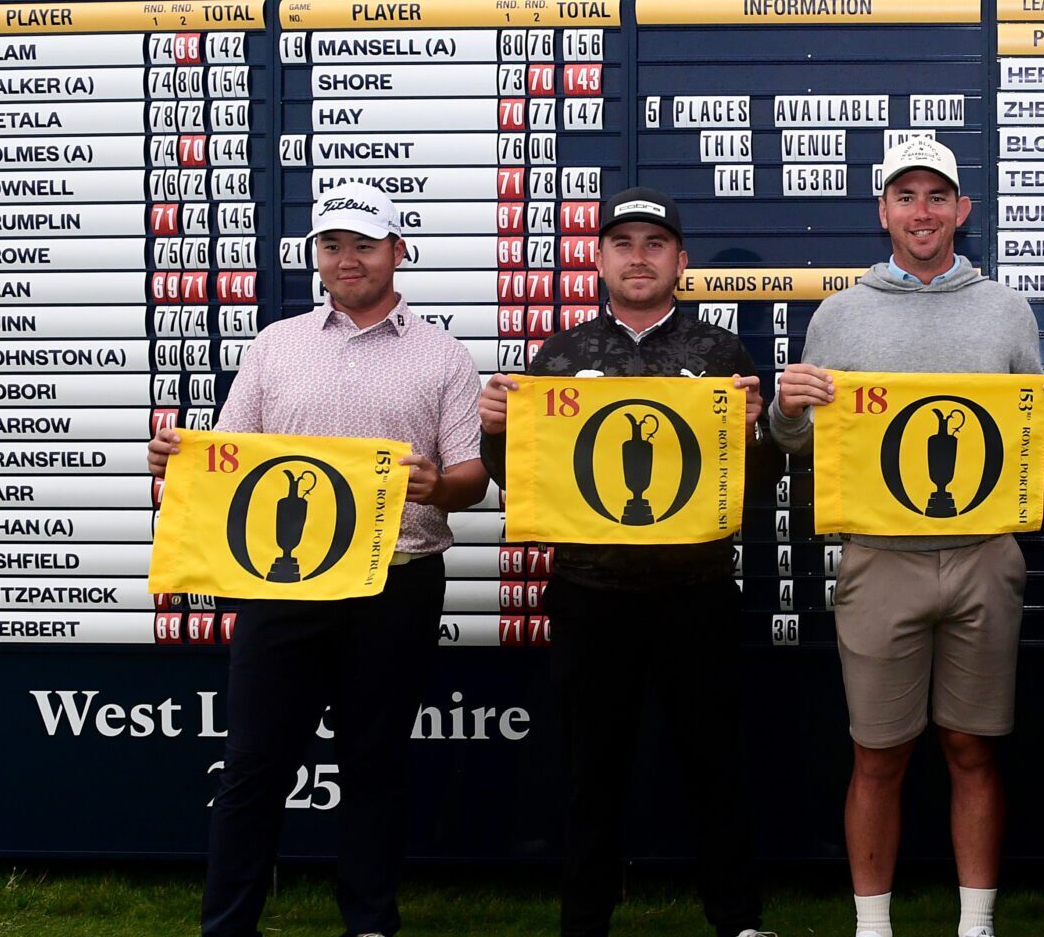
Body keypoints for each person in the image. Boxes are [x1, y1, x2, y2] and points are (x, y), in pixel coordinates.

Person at [768, 137, 1044, 937]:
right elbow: (799, 443)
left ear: (962, 211)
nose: (922, 211)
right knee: (878, 753)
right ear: (883, 211)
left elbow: (1042, 437)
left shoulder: (1006, 308)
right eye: (906, 196)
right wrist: (785, 409)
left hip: (986, 556)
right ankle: (872, 926)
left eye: (937, 196)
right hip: (878, 559)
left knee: (973, 747)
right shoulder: (838, 314)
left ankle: (974, 922)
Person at [148, 182, 489, 937]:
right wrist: (174, 461)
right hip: (283, 583)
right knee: (254, 766)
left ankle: (369, 922)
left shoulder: (445, 357)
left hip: (396, 582)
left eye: (364, 245)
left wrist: (441, 483)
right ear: (317, 257)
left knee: (375, 763)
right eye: (332, 246)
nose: (347, 259)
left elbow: (472, 475)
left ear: (399, 252)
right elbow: (228, 460)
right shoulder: (275, 343)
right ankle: (228, 925)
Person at [477, 187, 774, 937]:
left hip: (697, 592)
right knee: (590, 770)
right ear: (598, 257)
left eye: (654, 243)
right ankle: (585, 920)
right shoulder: (563, 354)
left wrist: (759, 432)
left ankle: (737, 919)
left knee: (716, 765)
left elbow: (762, 483)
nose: (638, 258)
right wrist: (492, 432)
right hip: (589, 592)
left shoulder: (718, 353)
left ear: (679, 259)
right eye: (623, 243)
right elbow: (519, 477)